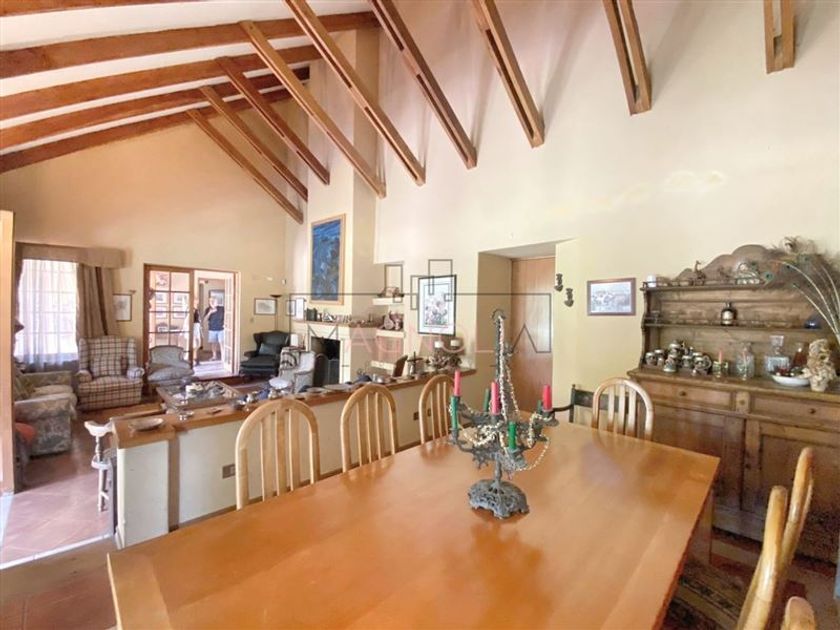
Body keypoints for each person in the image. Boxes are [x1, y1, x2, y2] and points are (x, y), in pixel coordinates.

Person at [203, 297, 225, 362]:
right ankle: (214, 356)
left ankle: (223, 358)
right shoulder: (207, 309)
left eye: (214, 301)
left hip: (221, 329)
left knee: (222, 343)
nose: (212, 302)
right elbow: (204, 320)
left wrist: (226, 323)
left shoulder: (222, 308)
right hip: (212, 329)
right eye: (211, 301)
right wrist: (210, 312)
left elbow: (227, 316)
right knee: (213, 344)